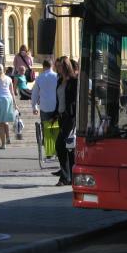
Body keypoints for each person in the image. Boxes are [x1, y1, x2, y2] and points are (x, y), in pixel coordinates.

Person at [55, 56, 78, 186]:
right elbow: (59, 98)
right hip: (61, 115)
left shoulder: (74, 81)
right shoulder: (59, 81)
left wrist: (72, 113)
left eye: (59, 66)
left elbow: (75, 100)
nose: (57, 68)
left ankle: (64, 176)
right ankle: (71, 176)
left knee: (60, 145)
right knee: (69, 147)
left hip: (70, 117)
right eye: (56, 66)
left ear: (65, 66)